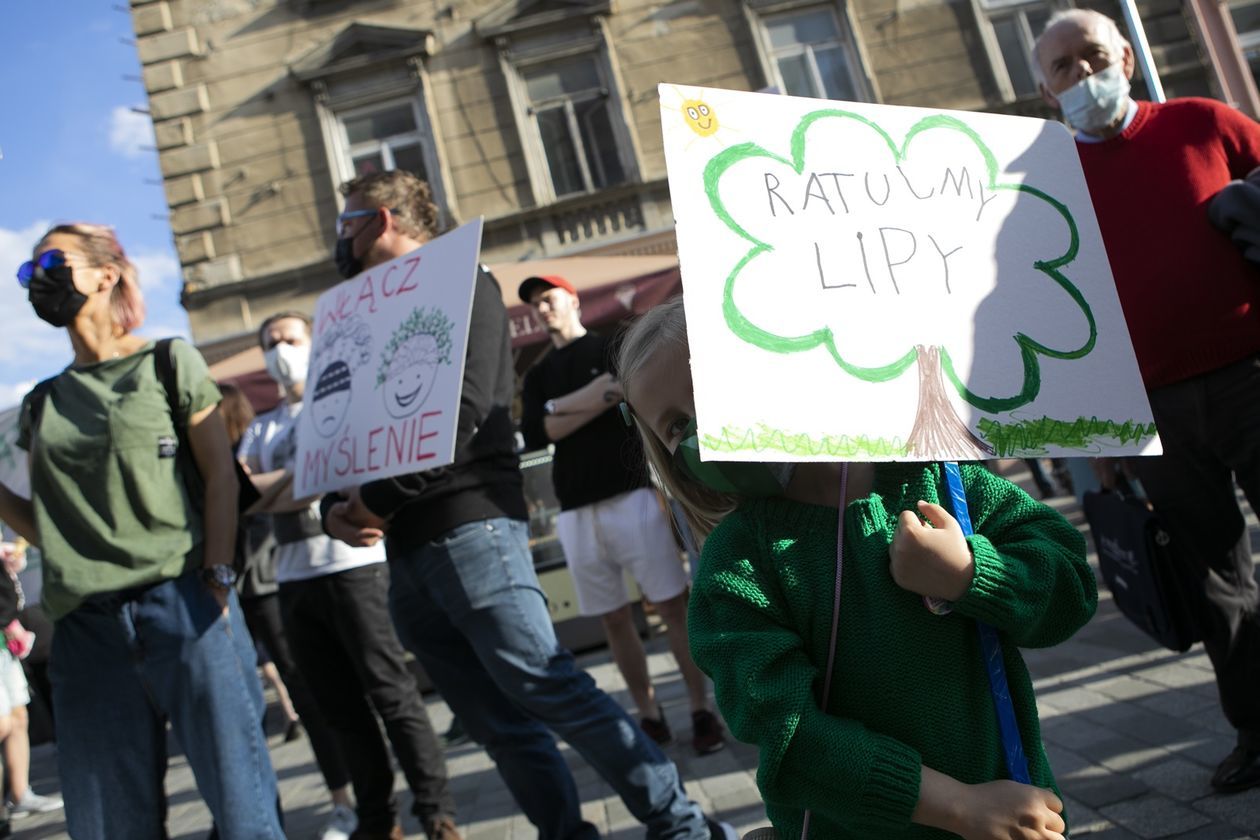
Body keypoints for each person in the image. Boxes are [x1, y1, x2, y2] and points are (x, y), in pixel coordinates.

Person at [321, 169, 734, 840]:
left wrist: (370, 500)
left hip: (470, 528)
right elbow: (347, 435)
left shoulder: (462, 281)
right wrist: (336, 510)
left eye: (349, 223)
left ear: (386, 220)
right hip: (406, 548)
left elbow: (464, 411)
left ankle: (681, 825)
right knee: (496, 725)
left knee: (551, 689)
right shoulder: (369, 315)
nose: (340, 238)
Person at [616, 297, 1098, 838]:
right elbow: (790, 737)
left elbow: (1072, 591)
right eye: (678, 425)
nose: (706, 431)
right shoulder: (735, 565)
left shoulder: (943, 484)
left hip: (1015, 814)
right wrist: (961, 807)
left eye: (712, 392)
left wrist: (972, 574)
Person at [1033, 8, 1260, 793]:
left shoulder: (1206, 122)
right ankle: (1257, 732)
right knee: (1214, 578)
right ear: (1044, 88)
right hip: (1151, 409)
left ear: (1125, 58)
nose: (1081, 76)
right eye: (1061, 67)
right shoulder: (1048, 187)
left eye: (1091, 56)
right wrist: (1086, 426)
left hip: (1252, 376)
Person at [0, 222, 283, 838]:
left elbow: (219, 477)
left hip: (184, 603)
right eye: (28, 272)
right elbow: (55, 530)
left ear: (107, 274)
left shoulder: (166, 360)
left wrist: (217, 576)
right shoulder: (41, 403)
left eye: (52, 261)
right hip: (85, 630)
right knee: (109, 824)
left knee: (243, 810)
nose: (39, 278)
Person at [240, 311, 458, 840]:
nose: (281, 350)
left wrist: (285, 484)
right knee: (339, 709)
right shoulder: (260, 428)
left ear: (312, 344)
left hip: (354, 570)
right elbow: (242, 494)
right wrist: (301, 477)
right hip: (291, 580)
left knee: (391, 693)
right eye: (271, 342)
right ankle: (378, 819)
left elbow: (332, 473)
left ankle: (436, 812)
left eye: (291, 339)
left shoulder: (339, 408)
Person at [518, 274, 725, 754]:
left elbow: (620, 391)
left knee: (673, 607)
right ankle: (648, 715)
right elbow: (536, 431)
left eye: (548, 299)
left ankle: (700, 709)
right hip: (574, 509)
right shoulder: (538, 375)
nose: (542, 309)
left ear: (572, 299)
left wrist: (562, 413)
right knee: (613, 620)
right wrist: (592, 399)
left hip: (631, 495)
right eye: (534, 304)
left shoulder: (610, 346)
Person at [218, 384, 304, 745]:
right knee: (271, 655)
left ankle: (296, 709)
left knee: (286, 656)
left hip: (264, 572)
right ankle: (292, 709)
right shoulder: (239, 449)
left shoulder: (244, 450)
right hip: (251, 574)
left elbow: (252, 503)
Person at [0, 541, 62, 821]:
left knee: (18, 716)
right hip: (5, 622)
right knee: (3, 723)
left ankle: (19, 793)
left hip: (6, 633)